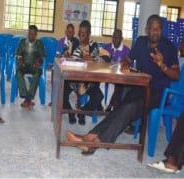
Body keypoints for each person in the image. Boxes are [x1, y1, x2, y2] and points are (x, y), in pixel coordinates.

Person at [66, 14, 180, 154]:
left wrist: (162, 65)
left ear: (162, 30)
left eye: (159, 29)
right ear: (146, 29)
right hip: (141, 86)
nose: (155, 32)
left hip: (158, 92)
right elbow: (127, 59)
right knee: (120, 108)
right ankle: (89, 136)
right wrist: (126, 64)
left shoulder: (169, 47)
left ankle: (93, 142)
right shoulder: (141, 42)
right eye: (152, 28)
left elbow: (176, 75)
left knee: (130, 107)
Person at [64, 20, 108, 125]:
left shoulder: (94, 45)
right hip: (73, 80)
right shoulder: (73, 43)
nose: (81, 35)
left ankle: (82, 112)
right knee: (60, 92)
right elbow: (66, 55)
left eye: (84, 33)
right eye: (80, 32)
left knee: (98, 96)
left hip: (89, 82)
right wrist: (66, 55)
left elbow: (105, 58)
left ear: (89, 34)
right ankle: (70, 113)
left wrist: (93, 59)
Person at [48, 23, 79, 107]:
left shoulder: (76, 42)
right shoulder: (61, 41)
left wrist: (71, 56)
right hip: (60, 64)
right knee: (54, 74)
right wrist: (64, 55)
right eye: (69, 32)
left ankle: (78, 100)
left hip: (72, 66)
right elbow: (57, 56)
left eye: (72, 32)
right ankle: (54, 99)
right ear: (65, 32)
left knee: (78, 80)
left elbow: (78, 57)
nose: (70, 34)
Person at [15, 25, 46, 109]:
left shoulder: (39, 43)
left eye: (33, 34)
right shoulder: (22, 42)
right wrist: (20, 58)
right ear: (28, 33)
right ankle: (26, 97)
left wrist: (39, 61)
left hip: (34, 66)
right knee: (18, 71)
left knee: (38, 72)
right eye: (29, 33)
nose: (31, 36)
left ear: (36, 35)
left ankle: (28, 99)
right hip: (24, 65)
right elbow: (18, 54)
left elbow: (43, 56)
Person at [103, 29, 130, 112]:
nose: (115, 40)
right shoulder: (107, 47)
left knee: (119, 85)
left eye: (117, 38)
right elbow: (100, 60)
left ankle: (112, 105)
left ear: (121, 39)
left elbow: (128, 65)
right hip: (106, 74)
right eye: (114, 37)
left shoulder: (126, 50)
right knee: (97, 82)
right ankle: (103, 104)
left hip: (118, 77)